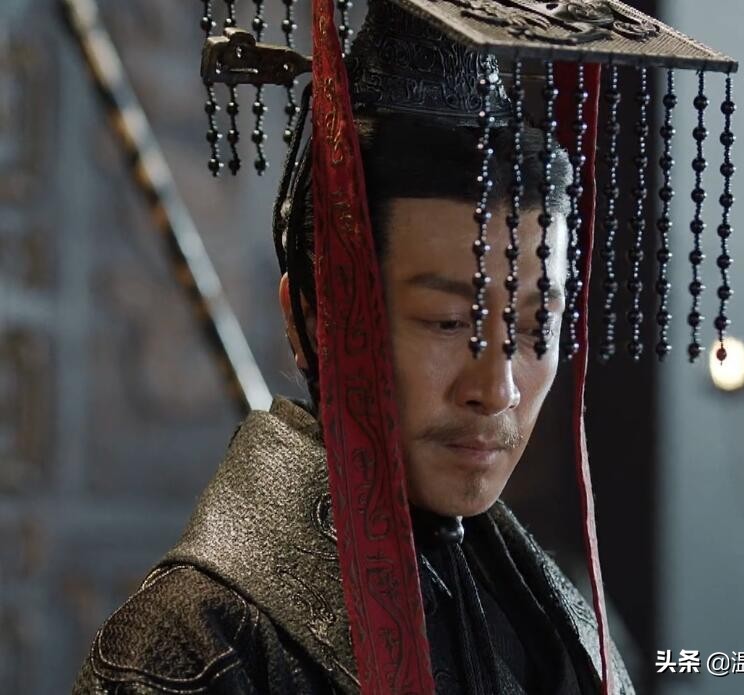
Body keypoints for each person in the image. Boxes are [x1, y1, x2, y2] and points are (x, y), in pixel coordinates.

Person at [72, 2, 636, 693]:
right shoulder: (188, 646)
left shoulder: (544, 616)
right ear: (309, 319)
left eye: (533, 328)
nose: (496, 389)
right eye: (446, 321)